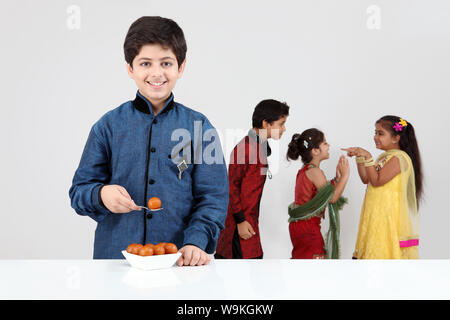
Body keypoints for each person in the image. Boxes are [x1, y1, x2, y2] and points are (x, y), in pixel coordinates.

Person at [69, 16, 229, 266]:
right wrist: (101, 194)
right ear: (130, 69)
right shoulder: (107, 126)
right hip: (114, 263)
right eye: (145, 63)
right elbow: (79, 191)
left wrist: (196, 241)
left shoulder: (199, 127)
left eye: (166, 63)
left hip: (179, 262)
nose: (156, 73)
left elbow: (214, 196)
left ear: (181, 67)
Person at [214, 99, 289, 259]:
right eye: (281, 124)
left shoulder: (260, 147)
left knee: (255, 269)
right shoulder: (245, 148)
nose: (284, 129)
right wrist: (240, 221)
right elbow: (230, 187)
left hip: (250, 224)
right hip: (239, 228)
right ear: (266, 123)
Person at [343, 115, 423, 259]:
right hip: (375, 213)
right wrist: (360, 158)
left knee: (382, 249)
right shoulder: (384, 157)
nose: (375, 137)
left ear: (395, 138)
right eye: (375, 132)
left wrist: (367, 156)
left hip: (386, 216)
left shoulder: (399, 158)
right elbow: (366, 178)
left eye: (380, 133)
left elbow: (377, 181)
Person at [286, 128, 349, 259]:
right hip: (308, 228)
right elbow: (331, 198)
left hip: (299, 227)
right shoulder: (315, 172)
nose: (328, 145)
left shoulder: (305, 170)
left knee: (303, 259)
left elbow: (321, 192)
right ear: (315, 151)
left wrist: (336, 179)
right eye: (325, 143)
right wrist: (345, 176)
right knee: (314, 261)